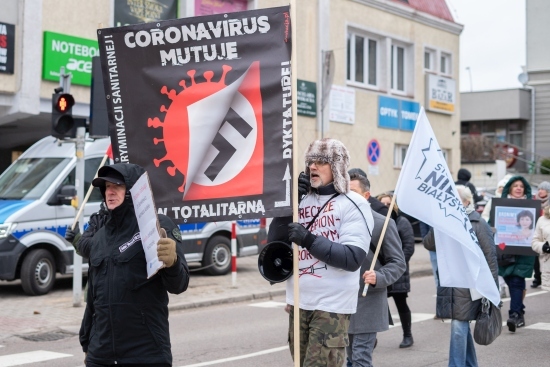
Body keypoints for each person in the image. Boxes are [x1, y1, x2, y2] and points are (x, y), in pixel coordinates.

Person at [268, 138, 373, 367]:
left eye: (321, 162)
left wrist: (308, 239)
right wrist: (290, 203)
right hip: (299, 301)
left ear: (337, 167)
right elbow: (273, 244)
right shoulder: (301, 200)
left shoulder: (354, 203)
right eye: (310, 162)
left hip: (331, 306)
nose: (313, 167)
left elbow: (352, 257)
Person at [80, 163, 190, 367]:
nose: (109, 191)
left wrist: (172, 263)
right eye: (106, 187)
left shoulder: (158, 226)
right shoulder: (100, 237)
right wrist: (87, 343)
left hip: (146, 353)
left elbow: (179, 285)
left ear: (132, 191)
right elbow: (93, 299)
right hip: (101, 355)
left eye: (117, 186)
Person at [423, 185, 498, 367]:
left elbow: (490, 258)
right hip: (451, 283)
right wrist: (439, 222)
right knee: (461, 327)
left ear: (466, 202)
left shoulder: (478, 224)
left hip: (470, 285)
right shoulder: (445, 220)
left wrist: (492, 291)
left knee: (458, 326)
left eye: (454, 199)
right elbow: (428, 244)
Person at [346, 173, 406, 367]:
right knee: (348, 359)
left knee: (360, 358)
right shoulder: (339, 221)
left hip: (368, 300)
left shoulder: (382, 223)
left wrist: (379, 276)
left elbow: (398, 262)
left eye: (353, 191)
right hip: (342, 301)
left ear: (366, 195)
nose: (347, 196)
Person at [497, 175, 536, 332]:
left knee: (516, 281)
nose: (519, 188)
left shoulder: (532, 207)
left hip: (524, 251)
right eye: (515, 186)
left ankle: (514, 315)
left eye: (521, 186)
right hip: (504, 250)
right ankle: (519, 310)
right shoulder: (500, 204)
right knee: (509, 280)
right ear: (510, 189)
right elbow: (489, 221)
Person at [377, 193, 416, 348]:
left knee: (401, 304)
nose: (385, 206)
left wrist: (395, 265)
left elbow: (409, 247)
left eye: (388, 203)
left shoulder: (402, 222)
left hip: (397, 273)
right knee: (376, 305)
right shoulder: (376, 221)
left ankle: (408, 335)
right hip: (379, 271)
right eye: (382, 203)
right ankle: (370, 337)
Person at [531, 181, 550, 288]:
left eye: (542, 189)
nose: (540, 191)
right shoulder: (534, 201)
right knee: (535, 257)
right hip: (536, 231)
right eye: (539, 189)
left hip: (546, 233)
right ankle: (537, 277)